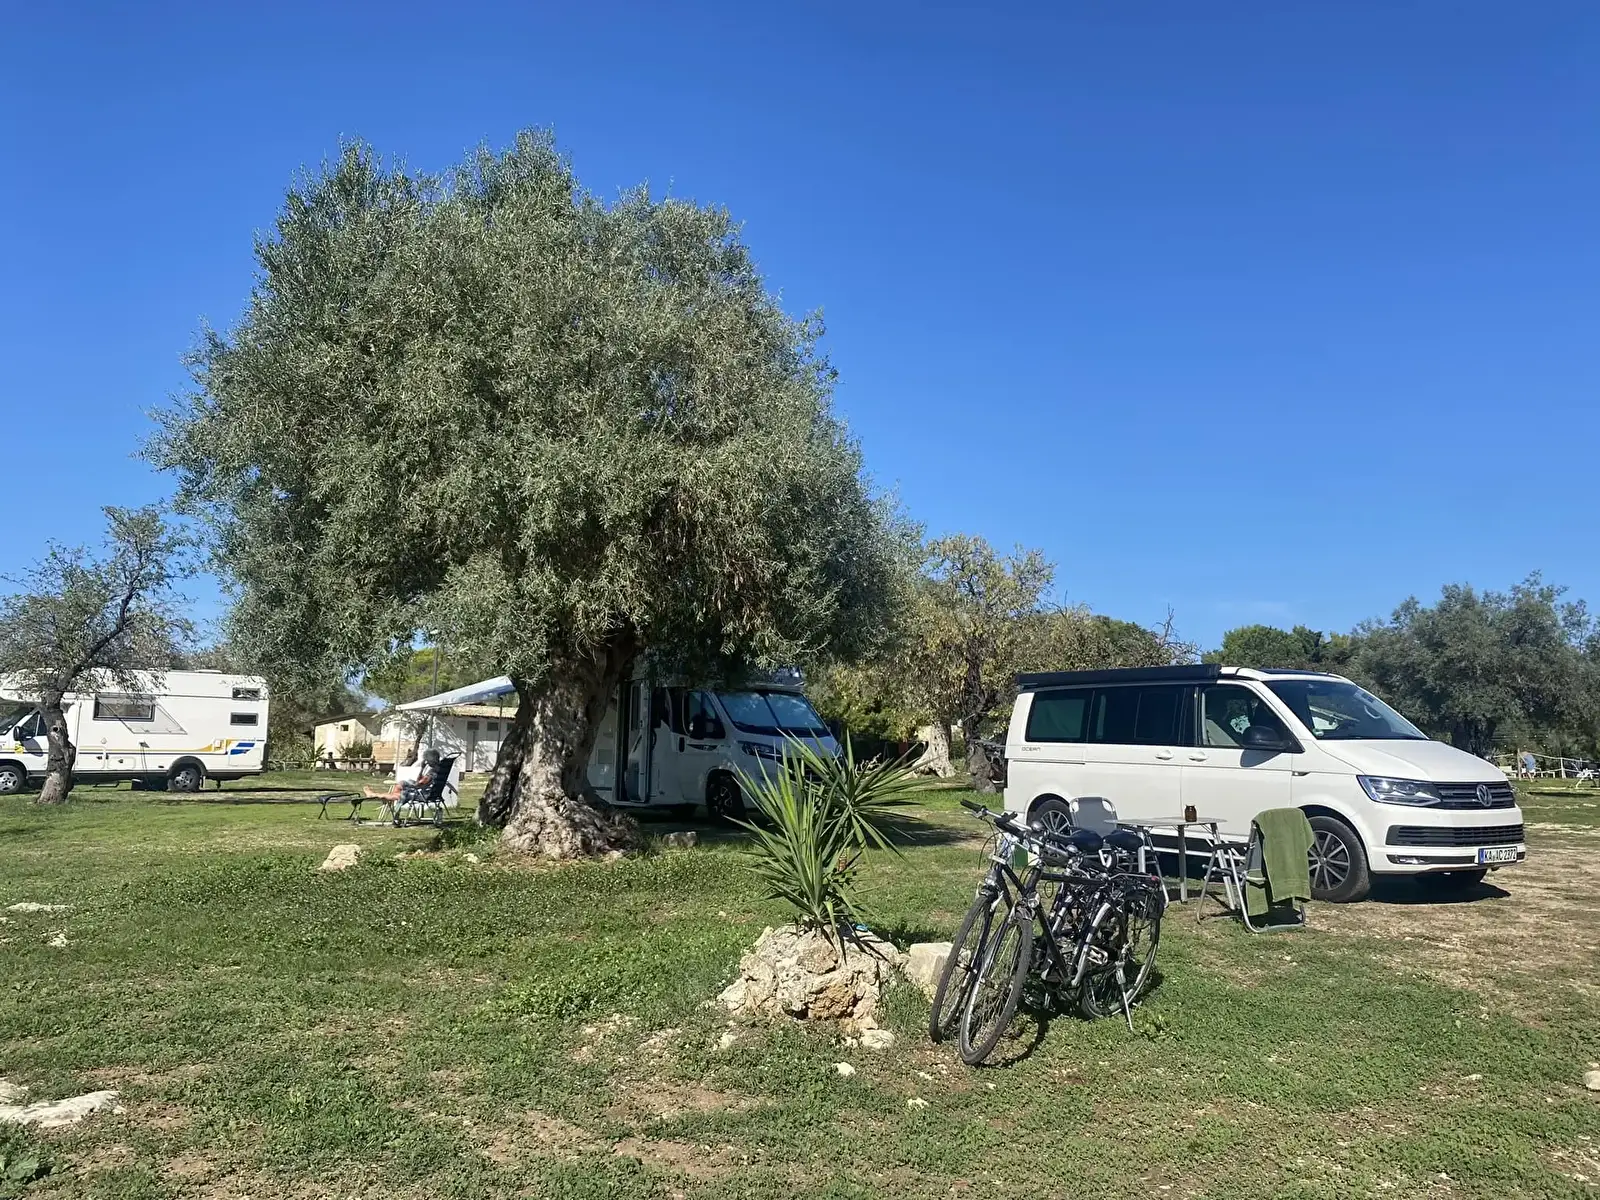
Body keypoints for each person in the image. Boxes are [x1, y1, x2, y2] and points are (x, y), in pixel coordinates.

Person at [365, 749, 439, 821]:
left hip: (424, 795)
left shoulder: (432, 773)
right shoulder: (437, 770)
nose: (426, 762)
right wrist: (422, 769)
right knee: (400, 785)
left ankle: (375, 795)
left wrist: (408, 783)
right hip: (429, 793)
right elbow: (420, 782)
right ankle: (385, 798)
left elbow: (418, 784)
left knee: (401, 792)